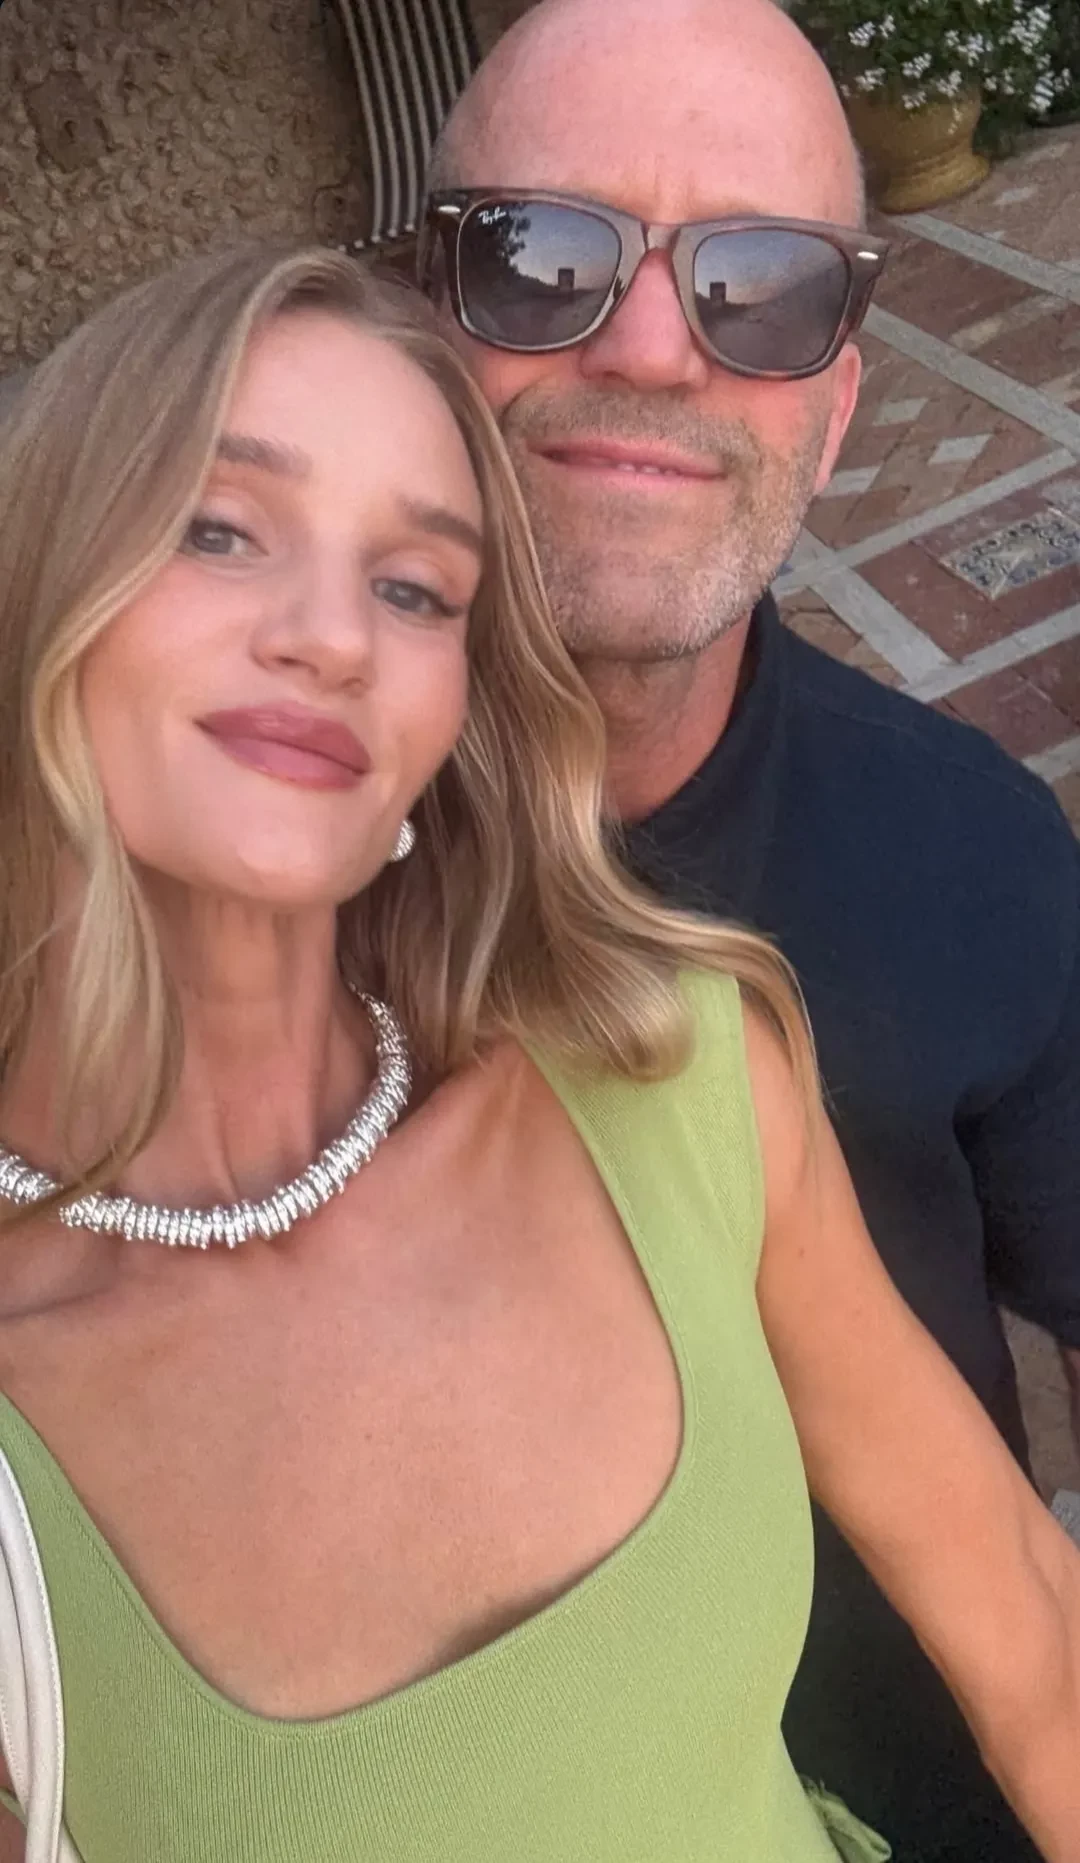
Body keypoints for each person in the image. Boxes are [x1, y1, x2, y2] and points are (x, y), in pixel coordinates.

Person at [0, 241, 1078, 1863]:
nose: (332, 636)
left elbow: (1030, 1634)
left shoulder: (673, 1074)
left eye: (414, 588)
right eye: (219, 527)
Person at [420, 0, 1080, 1856]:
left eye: (764, 287)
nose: (649, 346)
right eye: (538, 256)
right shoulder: (194, 911)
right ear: (417, 328)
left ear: (842, 400)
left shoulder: (972, 851)